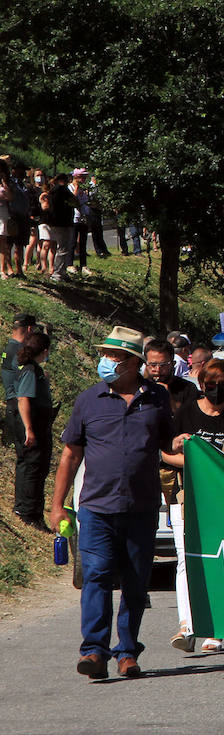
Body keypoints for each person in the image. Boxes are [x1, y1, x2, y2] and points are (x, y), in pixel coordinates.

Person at [48, 327, 171, 680]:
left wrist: (188, 444)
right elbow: (70, 455)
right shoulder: (88, 400)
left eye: (116, 356)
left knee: (135, 583)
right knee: (97, 577)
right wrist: (58, 505)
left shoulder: (157, 399)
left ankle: (128, 652)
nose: (108, 361)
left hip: (142, 508)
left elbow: (168, 446)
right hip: (96, 508)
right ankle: (94, 651)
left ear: (135, 363)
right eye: (107, 355)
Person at [161, 358, 224, 654]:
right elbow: (165, 454)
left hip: (222, 498)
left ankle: (215, 629)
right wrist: (196, 464)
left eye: (223, 386)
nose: (217, 391)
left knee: (218, 560)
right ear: (202, 385)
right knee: (185, 560)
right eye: (211, 385)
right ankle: (187, 626)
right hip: (185, 495)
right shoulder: (185, 413)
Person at [11, 330, 54, 529]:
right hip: (32, 425)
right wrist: (29, 428)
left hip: (39, 424)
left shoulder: (33, 369)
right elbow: (23, 399)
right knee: (31, 467)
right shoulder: (29, 369)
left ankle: (34, 511)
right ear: (44, 351)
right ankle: (26, 511)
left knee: (37, 467)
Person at [2, 312, 37, 447]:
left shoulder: (8, 348)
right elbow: (24, 381)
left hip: (12, 404)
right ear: (29, 329)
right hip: (19, 409)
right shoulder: (19, 352)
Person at [143, 339, 199, 415]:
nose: (158, 370)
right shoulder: (139, 388)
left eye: (163, 365)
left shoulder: (188, 388)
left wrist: (168, 398)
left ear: (173, 364)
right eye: (153, 365)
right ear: (146, 365)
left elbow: (190, 418)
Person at [44, 171, 78, 282]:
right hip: (63, 222)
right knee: (63, 248)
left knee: (56, 247)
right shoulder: (62, 190)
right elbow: (75, 202)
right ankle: (58, 273)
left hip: (54, 222)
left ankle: (60, 271)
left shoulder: (52, 191)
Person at [70, 168, 93, 276]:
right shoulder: (70, 187)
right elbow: (73, 200)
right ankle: (69, 264)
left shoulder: (84, 190)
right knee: (73, 242)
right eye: (82, 177)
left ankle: (83, 264)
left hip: (83, 217)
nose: (84, 179)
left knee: (83, 242)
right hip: (74, 217)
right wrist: (77, 189)